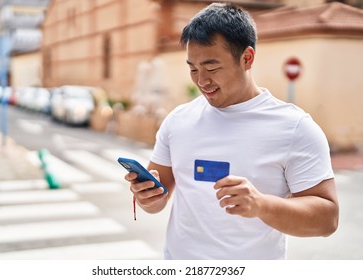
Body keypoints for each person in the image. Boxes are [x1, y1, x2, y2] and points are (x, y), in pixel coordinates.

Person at [125, 3, 339, 260]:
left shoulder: (295, 128)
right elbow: (158, 200)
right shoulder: (178, 121)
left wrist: (261, 204)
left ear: (247, 58)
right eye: (193, 68)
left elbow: (328, 219)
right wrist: (148, 196)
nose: (202, 81)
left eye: (212, 68)